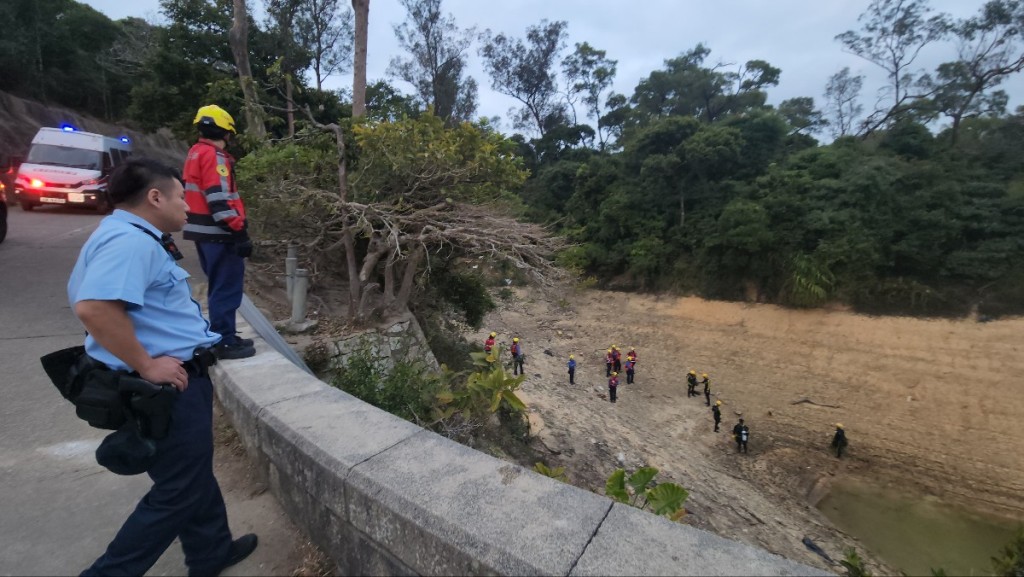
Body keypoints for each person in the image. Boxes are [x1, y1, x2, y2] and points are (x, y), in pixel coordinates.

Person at [68, 158, 257, 576]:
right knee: (178, 491)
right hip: (164, 387)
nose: (189, 208)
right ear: (155, 197)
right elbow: (95, 308)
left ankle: (211, 552)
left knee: (190, 473)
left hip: (173, 380)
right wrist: (147, 365)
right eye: (181, 197)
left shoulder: (127, 234)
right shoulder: (129, 242)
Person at [182, 104, 255, 360]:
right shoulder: (216, 157)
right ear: (226, 132)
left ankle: (224, 334)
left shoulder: (195, 152)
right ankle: (224, 340)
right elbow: (219, 199)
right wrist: (239, 232)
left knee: (217, 285)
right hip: (219, 232)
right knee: (226, 286)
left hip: (203, 232)